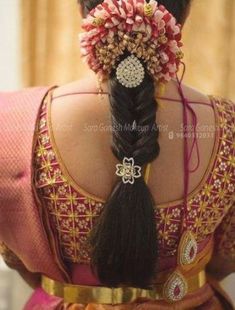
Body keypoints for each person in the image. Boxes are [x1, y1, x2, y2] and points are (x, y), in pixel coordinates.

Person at [0, 0, 234, 309]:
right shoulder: (227, 127)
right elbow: (226, 255)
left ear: (85, 12)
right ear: (183, 14)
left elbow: (16, 255)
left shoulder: (11, 123)